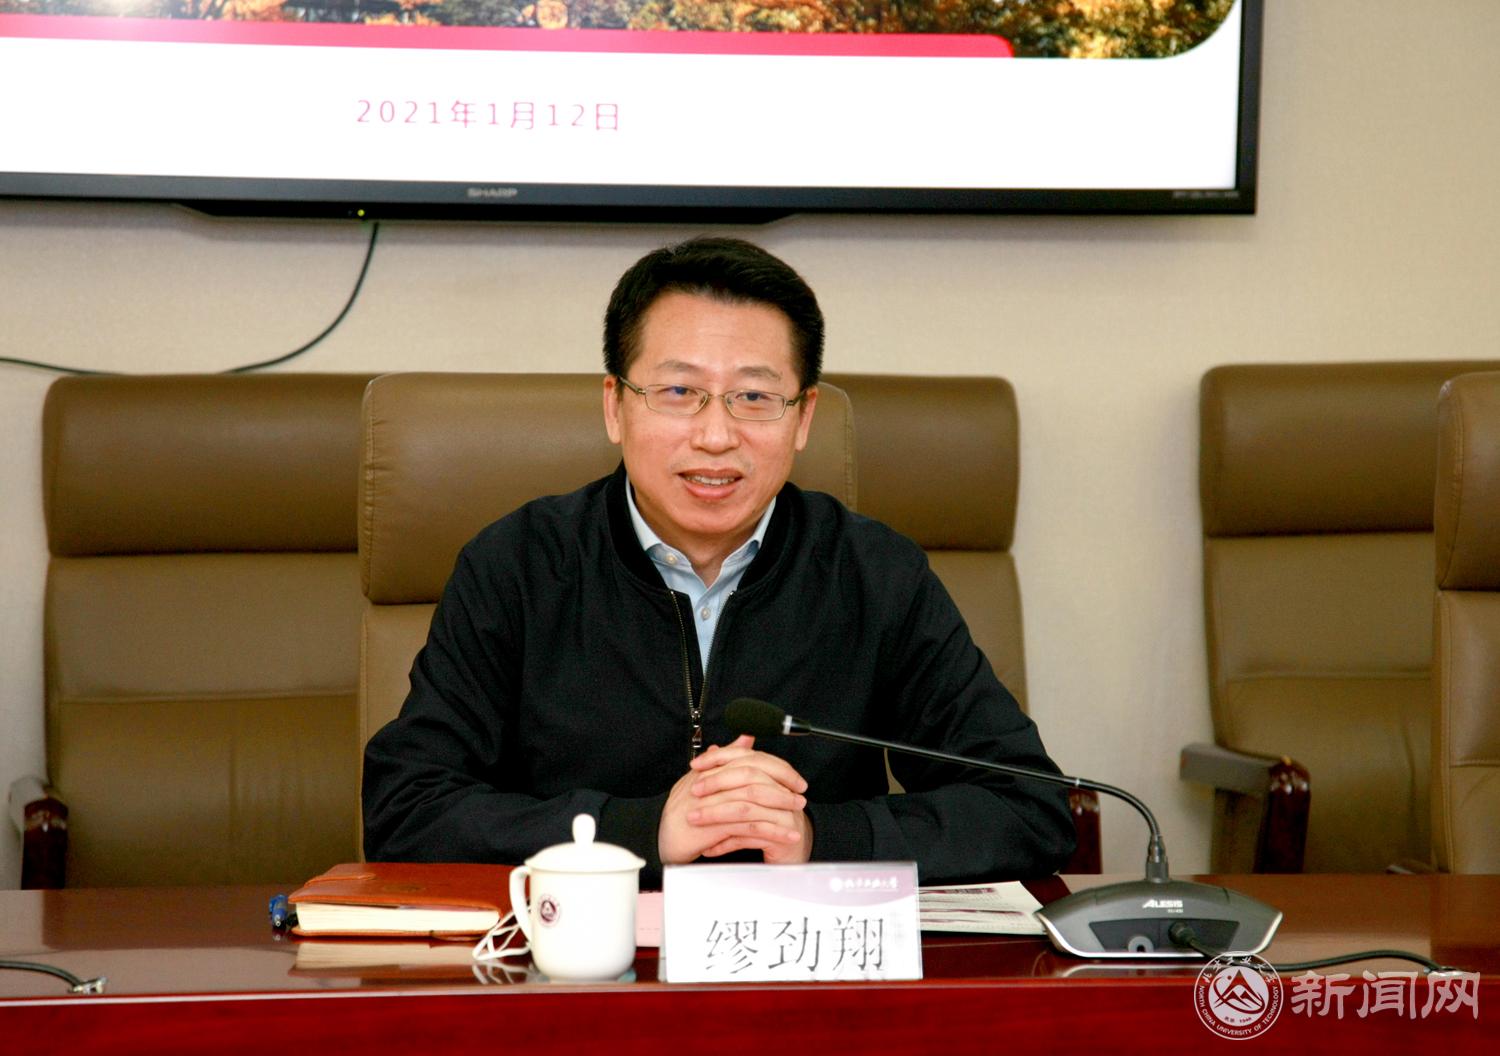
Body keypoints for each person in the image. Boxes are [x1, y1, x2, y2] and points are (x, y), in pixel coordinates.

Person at [362, 236, 1075, 885]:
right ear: (615, 407)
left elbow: (1030, 806)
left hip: (811, 965)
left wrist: (818, 838)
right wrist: (641, 832)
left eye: (754, 397)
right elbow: (406, 808)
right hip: (581, 962)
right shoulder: (517, 566)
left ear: (803, 418)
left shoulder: (873, 573)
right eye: (679, 392)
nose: (715, 435)